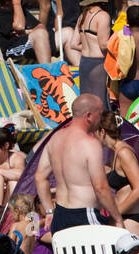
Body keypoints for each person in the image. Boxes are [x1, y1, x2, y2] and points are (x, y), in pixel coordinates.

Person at [33, 93, 124, 234]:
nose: (100, 120)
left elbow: (39, 177)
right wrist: (117, 218)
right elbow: (100, 187)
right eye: (99, 114)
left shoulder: (55, 139)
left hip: (60, 215)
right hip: (84, 215)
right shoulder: (90, 144)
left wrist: (49, 211)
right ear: (88, 116)